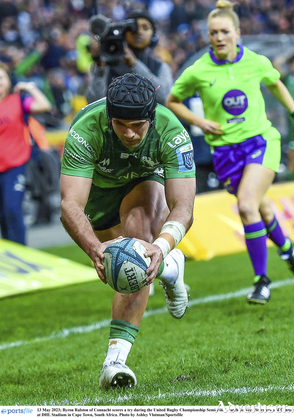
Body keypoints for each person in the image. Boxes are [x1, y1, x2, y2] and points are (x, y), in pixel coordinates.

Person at [60, 73, 196, 389]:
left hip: (143, 180)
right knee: (123, 268)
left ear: (151, 117)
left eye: (138, 126)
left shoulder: (171, 131)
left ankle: (115, 362)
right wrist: (94, 248)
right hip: (98, 193)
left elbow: (184, 208)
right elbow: (70, 205)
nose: (130, 133)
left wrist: (161, 245)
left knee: (141, 239)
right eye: (121, 124)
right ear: (110, 117)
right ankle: (171, 267)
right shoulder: (85, 129)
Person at [165, 0, 294, 305]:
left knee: (247, 205)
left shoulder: (255, 61)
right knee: (260, 207)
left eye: (225, 31)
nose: (219, 37)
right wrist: (200, 122)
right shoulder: (198, 70)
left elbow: (276, 83)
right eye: (213, 33)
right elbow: (173, 100)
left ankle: (261, 280)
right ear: (208, 36)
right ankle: (289, 252)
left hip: (261, 142)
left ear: (237, 32)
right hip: (225, 152)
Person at [0, 61, 52, 245]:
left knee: (11, 209)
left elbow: (44, 105)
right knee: (3, 217)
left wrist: (29, 87)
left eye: (2, 78)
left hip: (15, 166)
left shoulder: (17, 101)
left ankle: (20, 253)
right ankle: (9, 258)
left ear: (9, 80)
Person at [84, 10, 174, 105]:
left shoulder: (160, 67)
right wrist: (100, 68)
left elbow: (164, 97)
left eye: (145, 28)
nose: (139, 32)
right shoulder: (108, 62)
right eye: (133, 28)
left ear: (153, 35)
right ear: (124, 33)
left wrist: (135, 64)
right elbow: (94, 102)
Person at [273, 52, 294, 180]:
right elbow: (276, 65)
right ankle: (292, 184)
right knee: (293, 159)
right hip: (293, 125)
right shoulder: (287, 79)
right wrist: (288, 55)